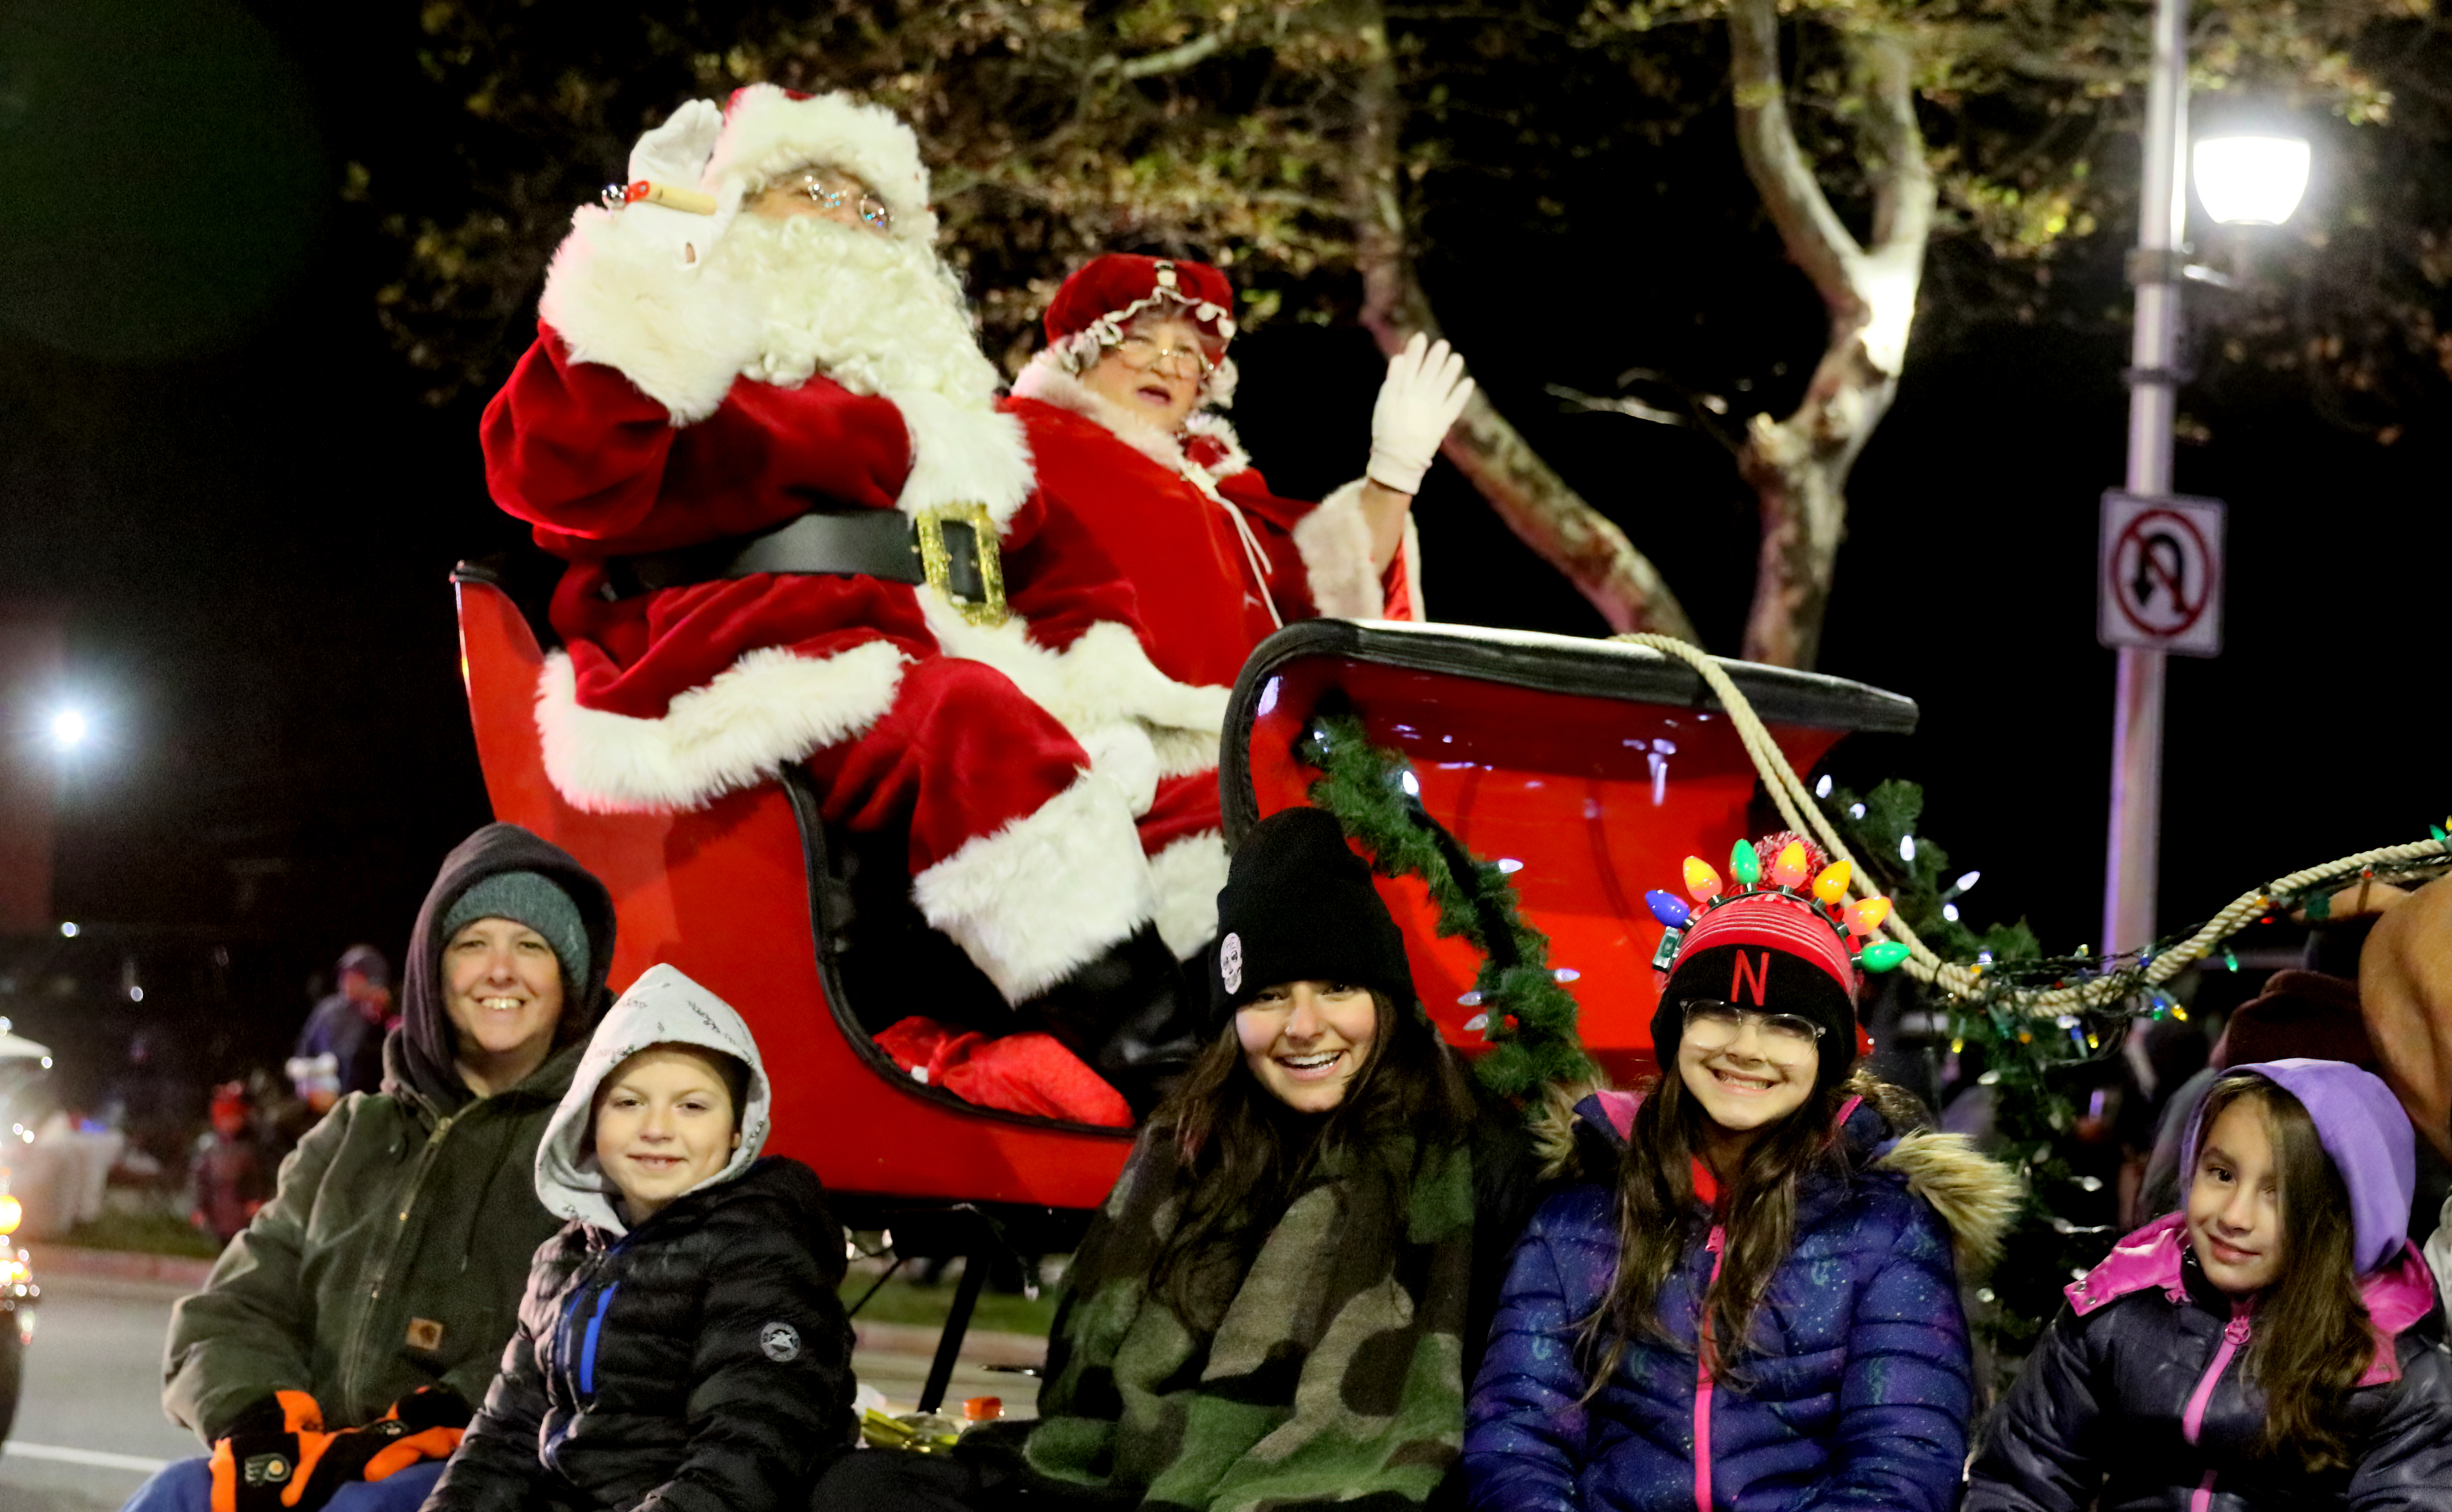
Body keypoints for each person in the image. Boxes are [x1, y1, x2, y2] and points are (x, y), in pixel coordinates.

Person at [484, 85, 1214, 1062]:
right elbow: (551, 470)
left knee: (1206, 778)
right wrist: (645, 265)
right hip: (751, 665)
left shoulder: (958, 421)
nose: (846, 226)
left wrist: (1110, 705)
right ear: (738, 211)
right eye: (811, 192)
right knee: (966, 723)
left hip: (940, 663)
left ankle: (1246, 1026)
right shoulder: (689, 375)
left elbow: (1063, 574)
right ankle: (1159, 1060)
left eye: (872, 211)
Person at [818, 805, 1544, 1509]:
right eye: (1267, 995)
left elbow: (1500, 1406)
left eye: (1336, 987)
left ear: (1385, 997)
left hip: (1329, 1485)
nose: (1303, 1025)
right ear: (1232, 1017)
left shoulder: (1477, 1156)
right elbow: (1083, 1401)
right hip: (1140, 1470)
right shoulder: (1188, 1144)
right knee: (861, 1489)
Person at [1463, 832, 2016, 1512]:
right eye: (1718, 1012)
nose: (1745, 1048)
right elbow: (1517, 1436)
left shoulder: (1886, 1226)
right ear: (1676, 1026)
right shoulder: (1581, 1210)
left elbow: (1899, 1464)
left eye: (1787, 1023)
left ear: (1830, 1051)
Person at [130, 824, 616, 1512]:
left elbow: (605, 1325)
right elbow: (239, 1302)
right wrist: (262, 1420)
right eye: (473, 943)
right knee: (172, 1494)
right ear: (432, 970)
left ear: (570, 979)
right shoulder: (355, 1130)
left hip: (489, 1466)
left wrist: (432, 1418)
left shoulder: (600, 1135)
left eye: (531, 946)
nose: (500, 969)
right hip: (321, 1457)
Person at [1006, 255, 1475, 960]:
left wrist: (1395, 472)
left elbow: (1316, 593)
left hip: (1259, 760)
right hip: (1127, 760)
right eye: (1141, 338)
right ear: (1083, 346)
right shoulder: (1018, 441)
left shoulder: (1217, 492)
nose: (1168, 362)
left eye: (1191, 352)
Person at [424, 963, 855, 1512]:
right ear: (589, 1120)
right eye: (629, 1102)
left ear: (737, 1130)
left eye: (692, 1106)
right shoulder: (565, 1260)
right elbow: (503, 1438)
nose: (657, 1128)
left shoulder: (761, 1250)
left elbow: (751, 1449)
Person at [1965, 1059, 2452, 1509]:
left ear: (2347, 1216)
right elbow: (2020, 1483)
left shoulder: (2395, 1373)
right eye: (2220, 1174)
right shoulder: (2116, 1309)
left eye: (2278, 1193)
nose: (2234, 1217)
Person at [294, 945, 394, 1099]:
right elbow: (303, 1056)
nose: (347, 979)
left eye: (356, 974)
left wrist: (384, 1016)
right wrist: (310, 1091)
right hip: (329, 1100)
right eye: (345, 973)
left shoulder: (386, 1016)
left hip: (373, 1102)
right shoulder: (327, 1012)